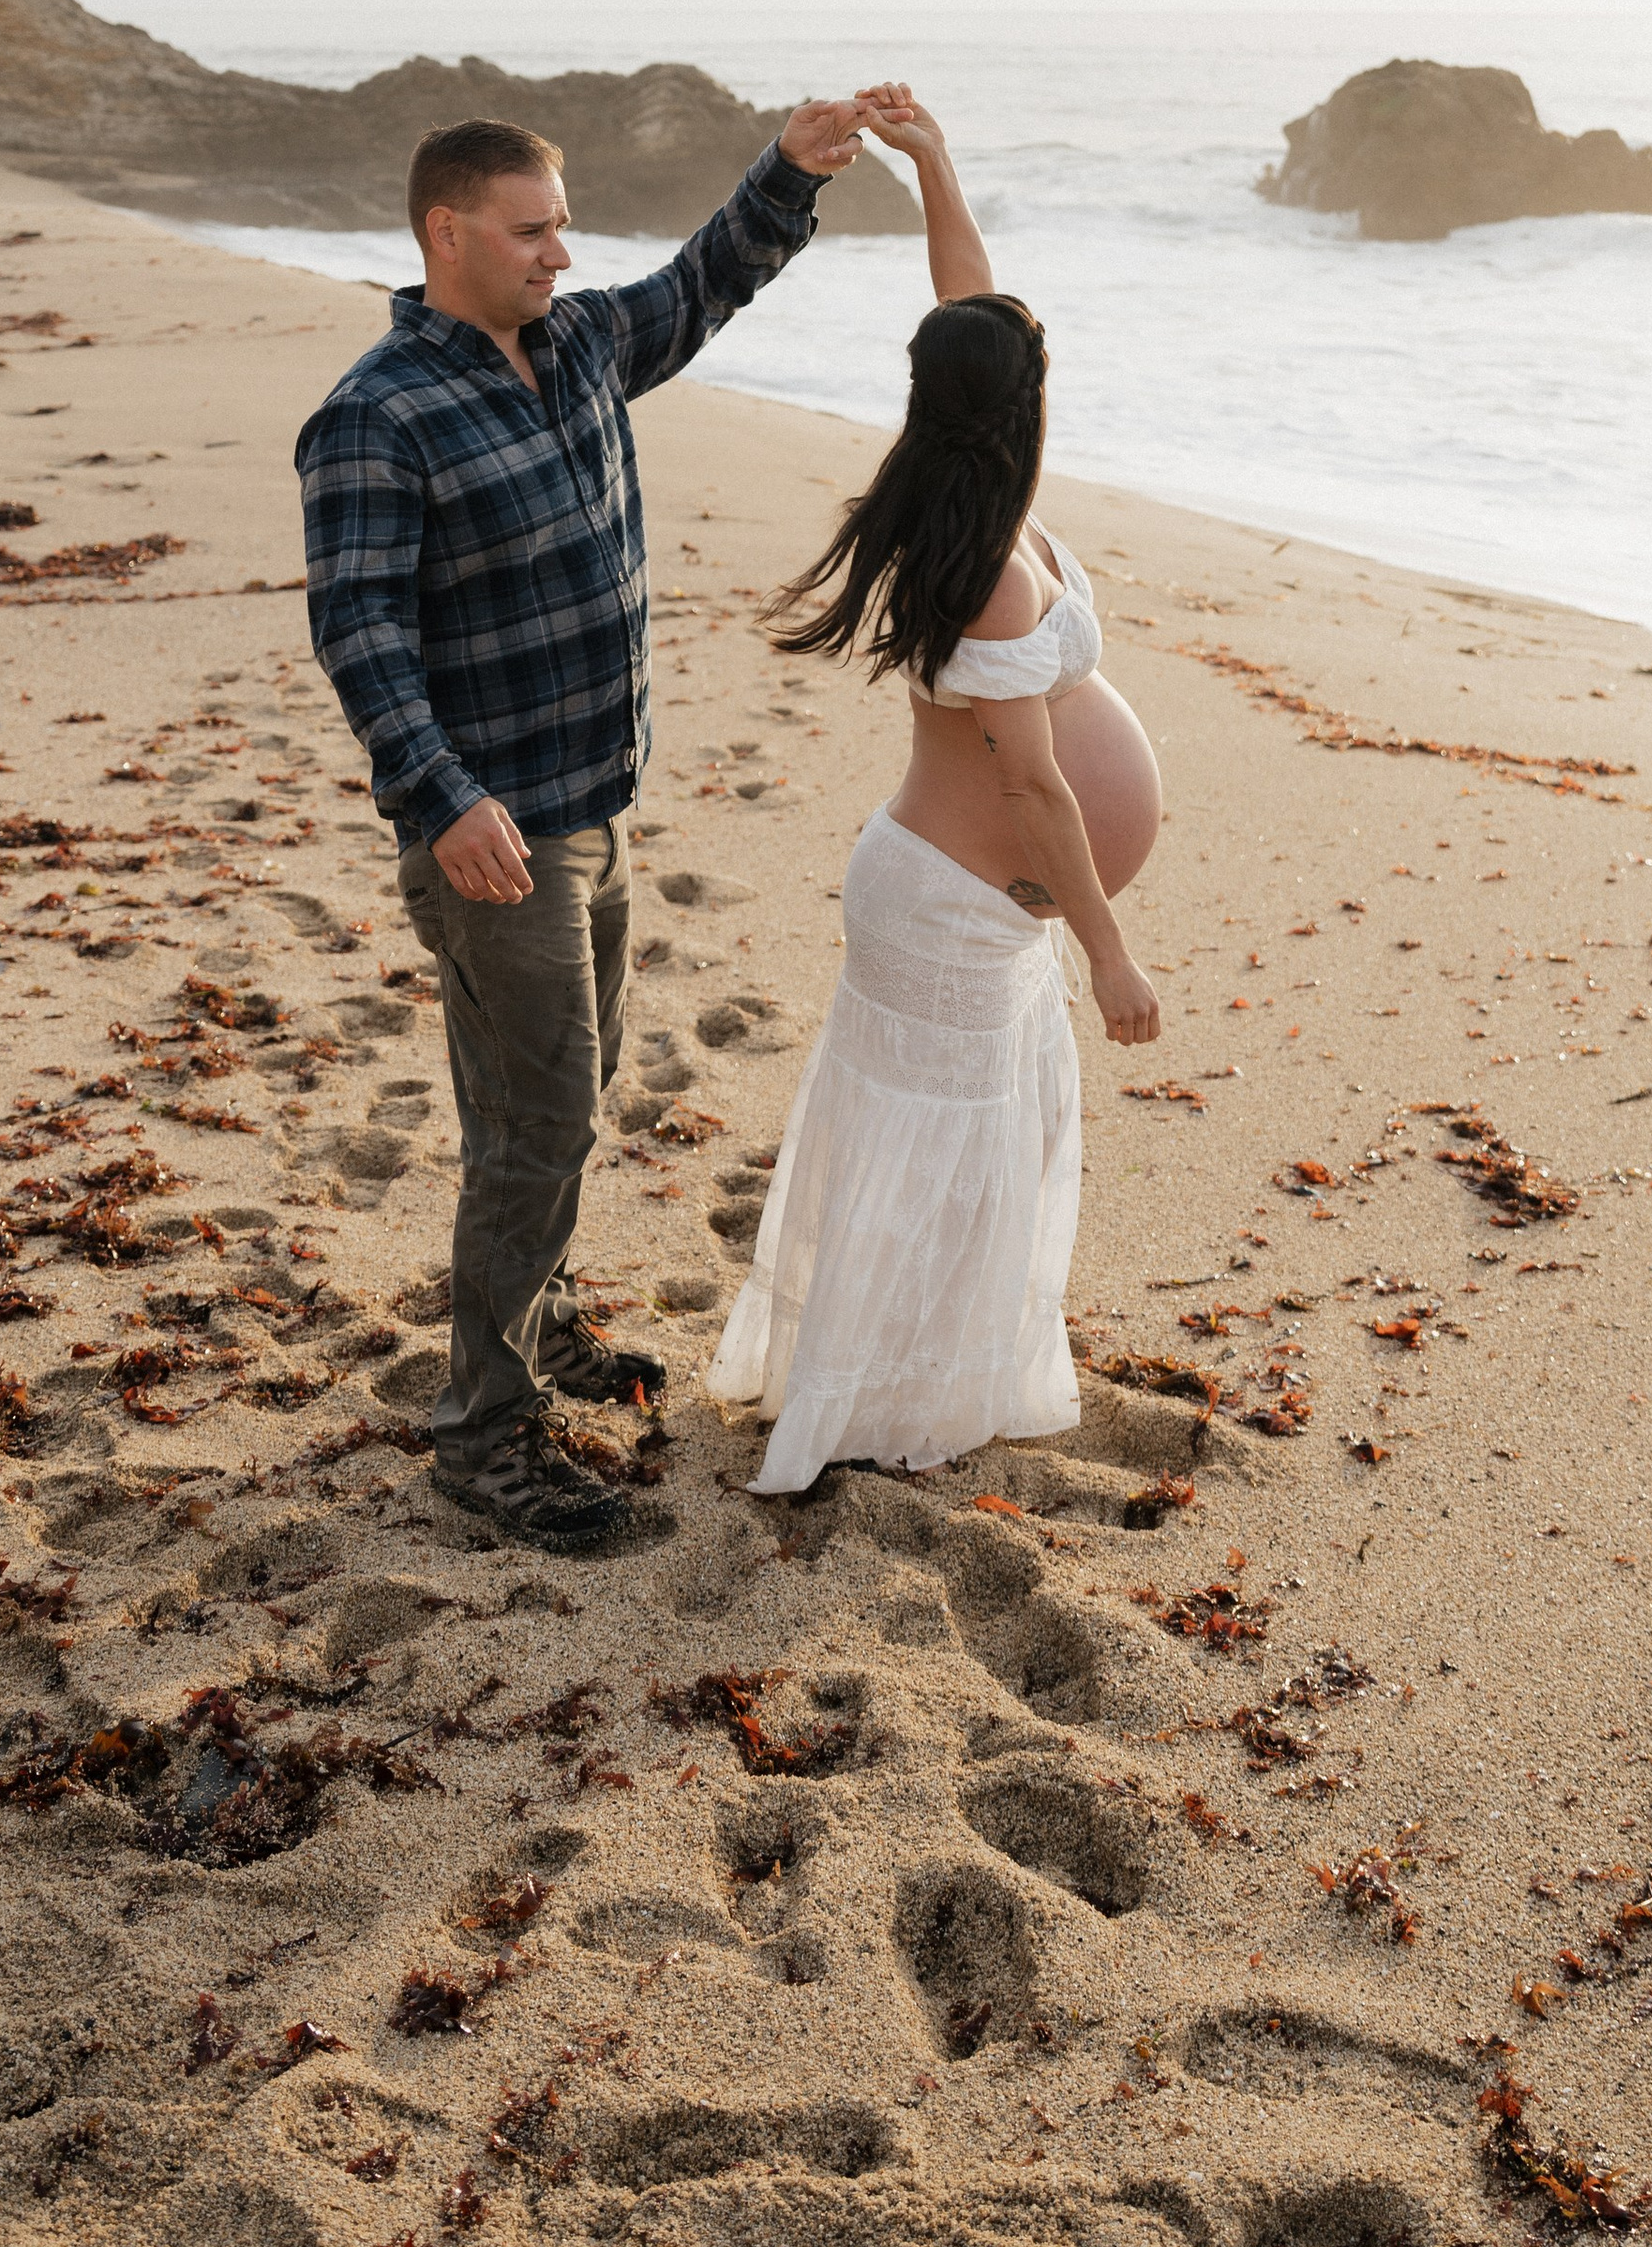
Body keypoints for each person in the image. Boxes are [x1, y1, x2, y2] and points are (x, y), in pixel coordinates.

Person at [297, 96, 872, 1551]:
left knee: (562, 1095)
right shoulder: (377, 415)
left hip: (593, 805)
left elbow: (703, 280)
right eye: (534, 226)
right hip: (495, 837)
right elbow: (359, 630)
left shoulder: (580, 347)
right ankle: (485, 1440)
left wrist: (790, 170)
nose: (563, 248)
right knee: (538, 1124)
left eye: (564, 221)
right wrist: (444, 801)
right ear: (449, 232)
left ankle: (533, 1334)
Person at [707, 88, 1165, 1489]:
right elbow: (1032, 792)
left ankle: (921, 1389)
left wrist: (938, 165)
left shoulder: (970, 483)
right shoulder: (985, 563)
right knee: (939, 1177)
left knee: (968, 1168)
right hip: (957, 904)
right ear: (1013, 405)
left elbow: (971, 310)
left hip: (960, 906)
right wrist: (1109, 949)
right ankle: (880, 1412)